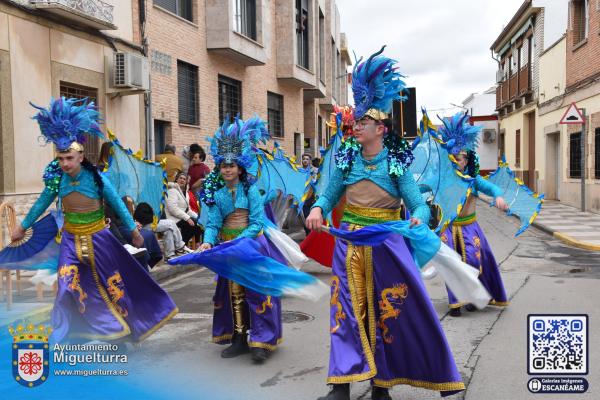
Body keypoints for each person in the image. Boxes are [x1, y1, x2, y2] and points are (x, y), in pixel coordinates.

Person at [305, 48, 465, 400]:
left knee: (388, 313)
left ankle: (382, 384)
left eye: (362, 123)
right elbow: (329, 194)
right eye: (355, 122)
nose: (355, 126)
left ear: (380, 128)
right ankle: (341, 385)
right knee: (344, 311)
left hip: (387, 244)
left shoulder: (396, 165)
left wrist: (417, 221)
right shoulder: (346, 160)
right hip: (348, 242)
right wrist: (317, 208)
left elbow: (418, 205)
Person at [12, 97, 178, 343]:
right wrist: (22, 226)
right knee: (67, 285)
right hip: (69, 239)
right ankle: (68, 333)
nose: (64, 163)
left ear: (80, 157)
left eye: (69, 158)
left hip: (99, 239)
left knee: (112, 286)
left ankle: (122, 327)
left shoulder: (98, 179)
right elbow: (41, 203)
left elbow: (119, 205)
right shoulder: (57, 180)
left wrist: (132, 230)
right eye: (60, 158)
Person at [197, 116, 286, 364]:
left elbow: (257, 222)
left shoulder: (250, 191)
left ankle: (262, 341)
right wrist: (207, 242)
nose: (227, 169)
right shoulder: (217, 194)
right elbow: (213, 223)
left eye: (231, 165)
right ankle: (239, 337)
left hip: (252, 247)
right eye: (223, 165)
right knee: (234, 294)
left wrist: (241, 241)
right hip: (229, 249)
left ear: (240, 168)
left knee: (257, 293)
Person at [436, 112, 510, 317]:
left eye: (461, 158)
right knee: (451, 265)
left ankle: (471, 294)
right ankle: (456, 303)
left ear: (468, 159)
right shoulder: (442, 178)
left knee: (474, 262)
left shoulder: (473, 180)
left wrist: (498, 197)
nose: (457, 161)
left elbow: (492, 189)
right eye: (454, 158)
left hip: (470, 227)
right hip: (448, 228)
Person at [165, 172, 201, 244]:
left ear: (186, 182)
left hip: (181, 217)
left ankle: (196, 244)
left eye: (184, 179)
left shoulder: (185, 193)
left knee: (200, 224)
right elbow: (173, 209)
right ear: (176, 180)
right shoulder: (172, 190)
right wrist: (187, 218)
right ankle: (181, 245)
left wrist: (198, 217)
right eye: (180, 178)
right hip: (174, 218)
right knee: (193, 225)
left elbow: (187, 209)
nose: (182, 180)